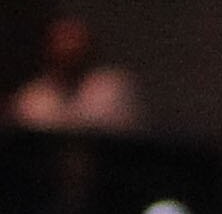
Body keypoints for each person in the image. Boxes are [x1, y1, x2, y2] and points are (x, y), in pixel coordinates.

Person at [7, 14, 143, 132]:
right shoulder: (30, 98)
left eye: (74, 39)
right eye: (63, 40)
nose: (69, 48)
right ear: (48, 49)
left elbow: (125, 140)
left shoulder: (114, 88)